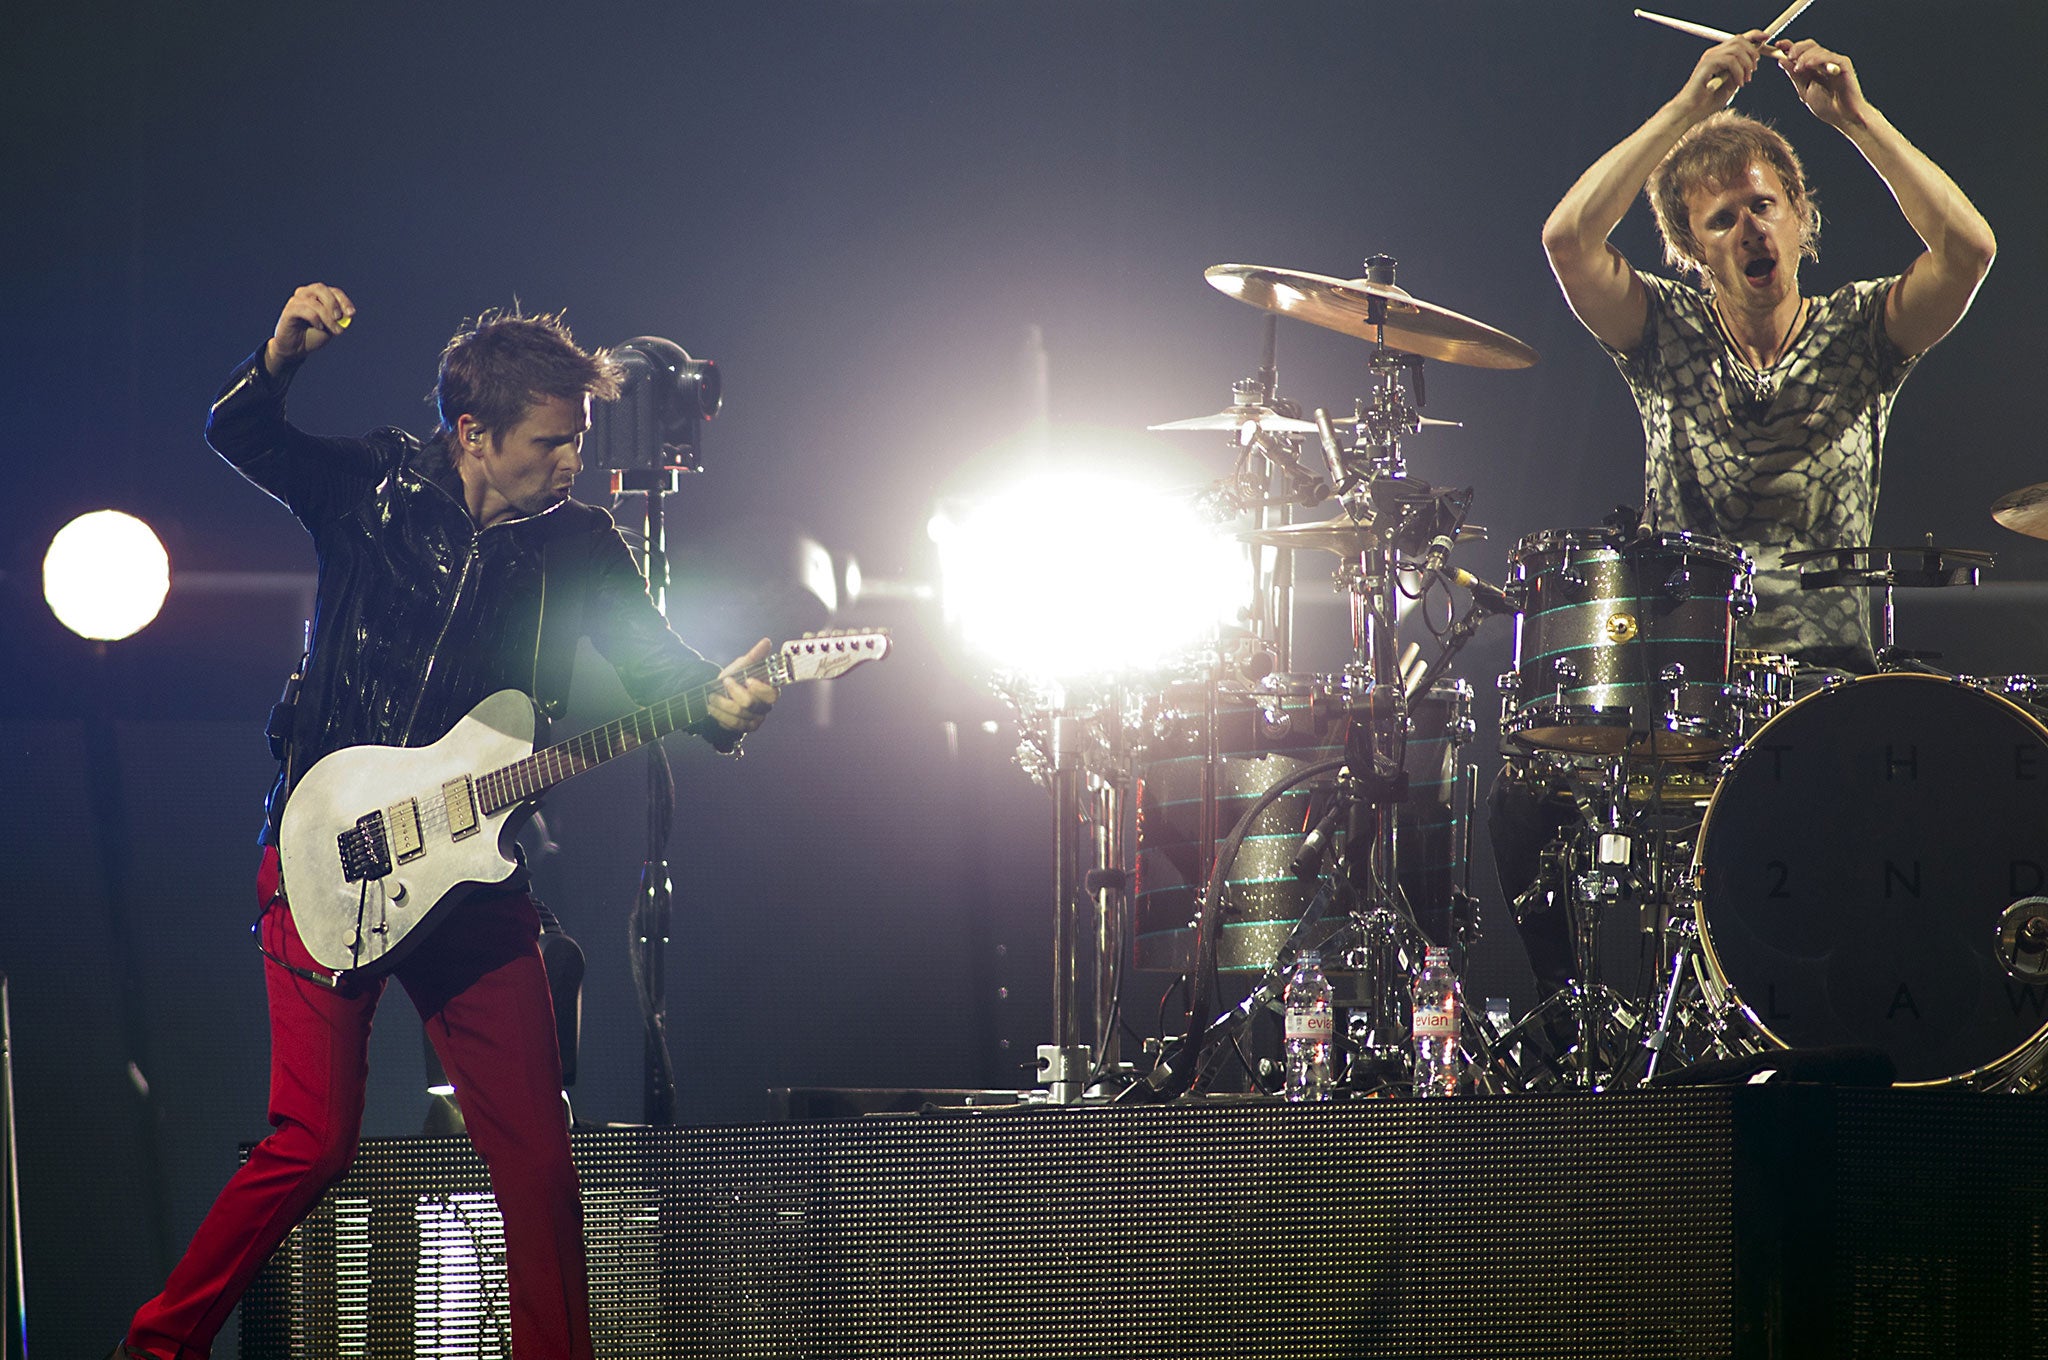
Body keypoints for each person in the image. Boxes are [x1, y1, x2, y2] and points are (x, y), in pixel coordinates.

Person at [112, 283, 779, 1360]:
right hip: (328, 853)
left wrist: (721, 702)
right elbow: (238, 431)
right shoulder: (371, 484)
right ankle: (154, 1347)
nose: (570, 462)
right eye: (550, 442)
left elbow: (662, 670)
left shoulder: (577, 546)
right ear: (472, 432)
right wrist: (280, 355)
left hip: (472, 879)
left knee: (539, 1163)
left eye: (579, 440)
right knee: (314, 1141)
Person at [1493, 32, 1996, 1000]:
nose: (1748, 231)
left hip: (1827, 679)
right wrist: (1688, 105)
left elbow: (1968, 248)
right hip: (1686, 684)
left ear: (1802, 217)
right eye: (1720, 220)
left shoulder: (1863, 329)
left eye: (1763, 206)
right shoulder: (1659, 329)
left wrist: (1850, 117)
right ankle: (1573, 1027)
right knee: (1521, 802)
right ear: (1687, 250)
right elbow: (1565, 240)